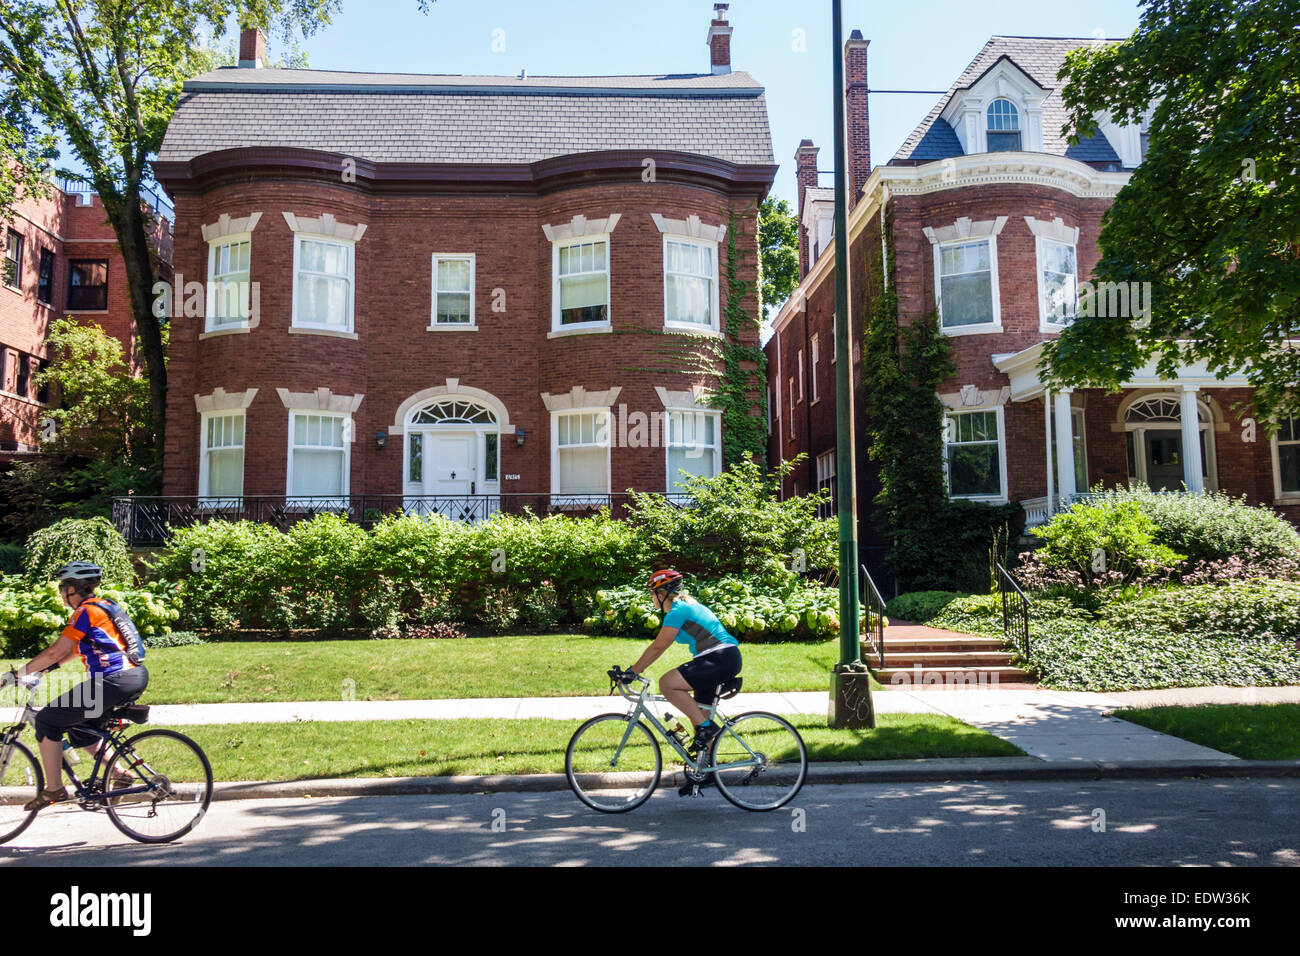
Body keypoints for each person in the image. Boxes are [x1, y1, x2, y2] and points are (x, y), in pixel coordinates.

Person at [2, 562, 149, 811]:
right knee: (81, 730)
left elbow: (55, 651)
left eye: (63, 587)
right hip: (129, 677)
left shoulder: (85, 611)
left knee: (48, 721)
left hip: (113, 681)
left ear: (74, 589)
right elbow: (73, 650)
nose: (61, 592)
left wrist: (17, 675)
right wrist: (47, 669)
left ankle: (54, 790)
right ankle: (121, 775)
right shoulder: (104, 605)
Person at [621, 569, 741, 794]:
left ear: (663, 593)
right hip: (720, 658)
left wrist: (633, 671)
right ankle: (704, 773)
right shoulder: (683, 607)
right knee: (699, 715)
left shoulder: (678, 610)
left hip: (720, 657)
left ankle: (707, 728)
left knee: (668, 683)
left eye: (652, 592)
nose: (651, 597)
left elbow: (659, 646)